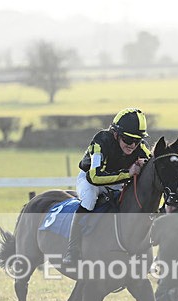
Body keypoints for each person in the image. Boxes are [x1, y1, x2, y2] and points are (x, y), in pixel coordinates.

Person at [61, 108, 153, 265]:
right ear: (115, 134)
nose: (132, 145)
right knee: (89, 200)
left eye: (136, 141)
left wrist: (146, 165)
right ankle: (72, 250)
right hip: (91, 180)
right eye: (127, 140)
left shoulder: (139, 146)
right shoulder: (101, 141)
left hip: (117, 181)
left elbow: (154, 164)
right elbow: (95, 176)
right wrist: (128, 173)